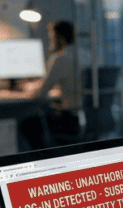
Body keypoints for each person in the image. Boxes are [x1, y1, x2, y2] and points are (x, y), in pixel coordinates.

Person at [20, 21, 80, 149]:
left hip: (70, 121)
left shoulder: (61, 58)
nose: (50, 41)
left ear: (60, 38)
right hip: (89, 118)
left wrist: (29, 88)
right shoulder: (86, 54)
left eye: (51, 37)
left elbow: (41, 94)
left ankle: (45, 161)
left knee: (27, 125)